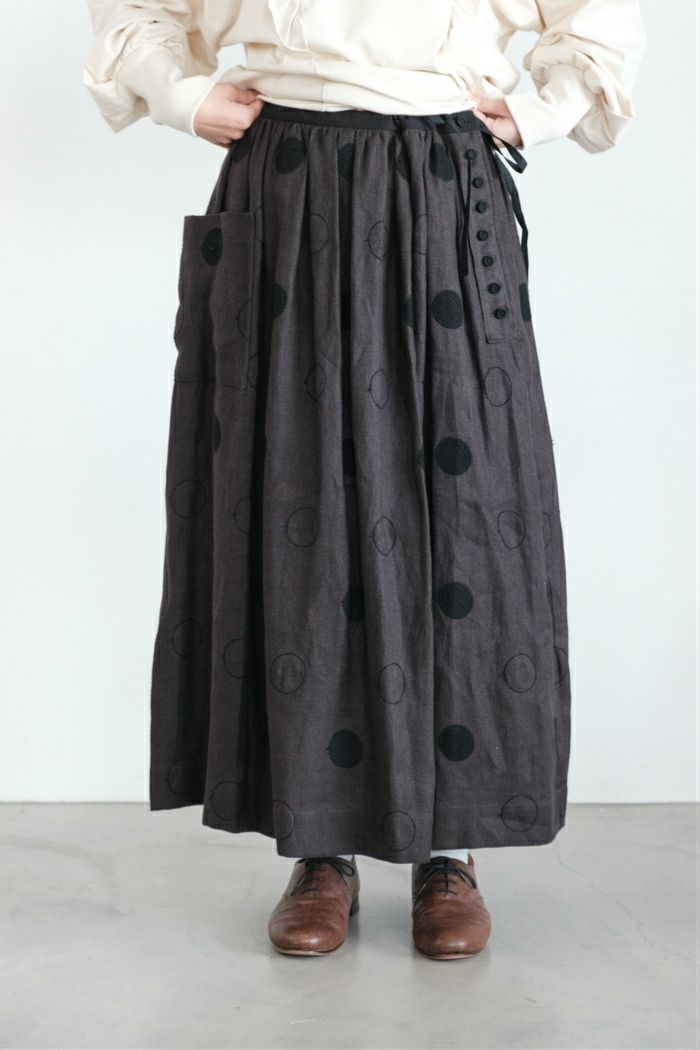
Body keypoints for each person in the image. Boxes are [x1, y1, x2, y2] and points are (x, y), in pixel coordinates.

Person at [82, 0, 646, 960]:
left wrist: (542, 109)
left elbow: (600, 15)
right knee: (299, 505)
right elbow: (138, 10)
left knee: (464, 510)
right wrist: (180, 93)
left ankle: (450, 851)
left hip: (442, 179)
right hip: (285, 181)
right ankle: (319, 847)